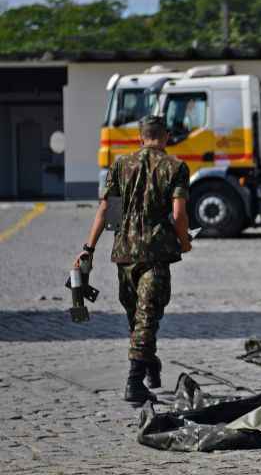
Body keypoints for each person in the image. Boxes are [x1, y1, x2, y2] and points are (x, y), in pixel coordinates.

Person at [74, 115, 192, 404]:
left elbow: (108, 213)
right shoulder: (176, 167)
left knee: (138, 318)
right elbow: (178, 215)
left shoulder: (119, 165)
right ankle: (136, 382)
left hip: (124, 254)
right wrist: (185, 241)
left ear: (140, 138)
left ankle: (145, 367)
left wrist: (88, 248)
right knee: (147, 317)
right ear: (165, 138)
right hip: (155, 254)